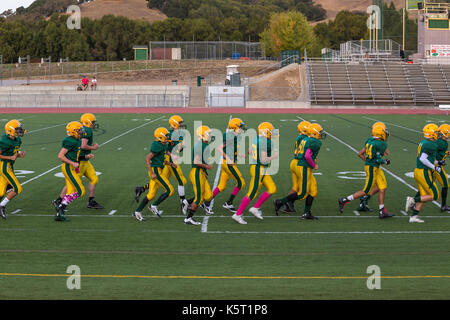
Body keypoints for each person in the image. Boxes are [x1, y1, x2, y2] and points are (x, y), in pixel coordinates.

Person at [134, 115, 190, 214]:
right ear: (174, 124)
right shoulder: (170, 135)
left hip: (168, 159)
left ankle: (142, 189)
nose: (181, 124)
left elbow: (176, 148)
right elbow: (166, 148)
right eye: (179, 123)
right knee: (181, 180)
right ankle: (183, 202)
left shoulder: (176, 134)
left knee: (163, 179)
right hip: (168, 159)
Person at [337, 123, 394, 219]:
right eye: (384, 132)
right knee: (366, 191)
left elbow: (361, 154)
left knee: (382, 187)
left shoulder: (370, 140)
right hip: (372, 168)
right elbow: (379, 159)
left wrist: (369, 161)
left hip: (373, 166)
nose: (386, 134)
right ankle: (344, 199)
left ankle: (382, 211)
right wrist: (384, 162)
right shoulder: (382, 144)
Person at [274, 123, 325, 220]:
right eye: (319, 132)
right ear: (314, 133)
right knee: (302, 194)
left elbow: (298, 152)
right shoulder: (315, 142)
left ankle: (306, 213)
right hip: (304, 166)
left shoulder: (305, 139)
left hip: (300, 164)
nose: (321, 134)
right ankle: (280, 202)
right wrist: (313, 165)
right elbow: (307, 156)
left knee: (313, 191)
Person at [53, 113, 103, 211]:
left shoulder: (81, 132)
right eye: (92, 122)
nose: (93, 124)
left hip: (84, 160)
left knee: (93, 179)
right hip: (78, 162)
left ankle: (91, 201)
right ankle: (60, 201)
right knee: (73, 186)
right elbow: (83, 145)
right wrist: (93, 148)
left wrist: (86, 155)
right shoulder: (86, 131)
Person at [232, 122, 278, 224]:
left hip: (259, 168)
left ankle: (255, 208)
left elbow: (249, 151)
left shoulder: (257, 138)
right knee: (252, 193)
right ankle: (238, 214)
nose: (272, 133)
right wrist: (273, 156)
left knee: (272, 188)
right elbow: (263, 159)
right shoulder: (266, 142)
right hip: (258, 168)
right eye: (270, 131)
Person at [133, 127, 175, 221]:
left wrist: (171, 163)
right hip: (155, 171)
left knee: (151, 195)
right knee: (170, 190)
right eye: (166, 135)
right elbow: (147, 159)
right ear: (160, 137)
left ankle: (137, 212)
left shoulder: (163, 144)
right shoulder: (157, 145)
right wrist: (152, 173)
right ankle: (154, 205)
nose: (168, 136)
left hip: (158, 169)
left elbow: (161, 159)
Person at [405, 124, 442, 223]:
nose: (437, 134)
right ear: (431, 134)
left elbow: (427, 158)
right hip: (423, 172)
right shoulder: (431, 144)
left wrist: (437, 163)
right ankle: (412, 199)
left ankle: (413, 217)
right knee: (435, 195)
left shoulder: (424, 142)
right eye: (436, 132)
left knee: (424, 194)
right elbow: (423, 159)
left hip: (419, 171)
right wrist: (435, 168)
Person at [54, 121, 90, 222]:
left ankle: (59, 214)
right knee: (80, 191)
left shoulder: (77, 140)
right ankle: (61, 206)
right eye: (79, 130)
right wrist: (72, 163)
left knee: (70, 192)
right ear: (73, 131)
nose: (81, 132)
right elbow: (60, 156)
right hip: (68, 168)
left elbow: (75, 156)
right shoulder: (69, 141)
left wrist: (85, 156)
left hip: (72, 167)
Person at [210, 117, 247, 214]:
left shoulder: (234, 135)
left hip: (226, 163)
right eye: (240, 127)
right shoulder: (230, 136)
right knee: (241, 183)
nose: (242, 128)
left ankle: (206, 202)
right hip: (228, 164)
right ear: (235, 127)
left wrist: (239, 155)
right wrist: (228, 158)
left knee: (221, 186)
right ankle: (229, 202)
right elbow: (219, 148)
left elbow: (231, 148)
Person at [278, 120, 310, 214]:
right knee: (303, 189)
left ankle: (287, 204)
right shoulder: (304, 138)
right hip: (299, 163)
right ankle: (283, 202)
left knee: (296, 187)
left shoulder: (301, 137)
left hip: (295, 161)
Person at [185, 125, 215, 225]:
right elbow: (196, 161)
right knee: (199, 198)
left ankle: (187, 202)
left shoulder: (204, 144)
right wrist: (207, 166)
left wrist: (204, 171)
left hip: (201, 172)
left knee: (209, 195)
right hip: (197, 172)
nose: (210, 135)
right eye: (208, 134)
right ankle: (188, 218)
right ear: (202, 135)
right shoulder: (200, 145)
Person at [0, 120, 26, 220]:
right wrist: (10, 158)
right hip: (4, 167)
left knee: (1, 192)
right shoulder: (4, 141)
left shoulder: (17, 140)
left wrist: (19, 155)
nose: (19, 131)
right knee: (18, 188)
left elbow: (13, 152)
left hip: (9, 166)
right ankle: (2, 205)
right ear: (10, 131)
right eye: (17, 129)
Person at [434, 124, 450, 212]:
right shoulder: (441, 143)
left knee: (428, 186)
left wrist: (446, 153)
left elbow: (440, 151)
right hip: (437, 167)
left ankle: (413, 201)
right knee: (445, 185)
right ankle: (443, 206)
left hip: (434, 166)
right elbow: (432, 151)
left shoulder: (441, 141)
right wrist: (437, 161)